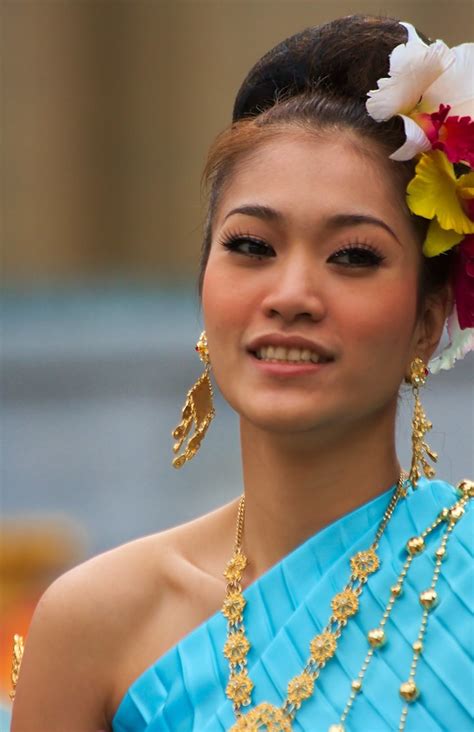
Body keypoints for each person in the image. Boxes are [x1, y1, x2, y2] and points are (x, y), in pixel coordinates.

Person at [11, 14, 473, 732]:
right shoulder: (96, 625)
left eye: (353, 256)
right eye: (253, 245)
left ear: (427, 316)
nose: (289, 295)